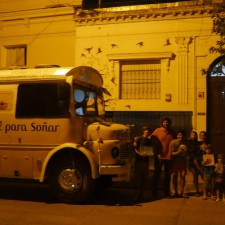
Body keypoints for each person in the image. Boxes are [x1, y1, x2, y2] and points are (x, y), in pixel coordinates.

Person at [151, 117, 175, 198]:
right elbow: (151, 139)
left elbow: (175, 142)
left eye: (167, 122)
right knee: (157, 175)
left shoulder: (172, 132)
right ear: (162, 123)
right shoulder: (157, 131)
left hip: (168, 157)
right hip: (159, 156)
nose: (166, 123)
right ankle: (154, 193)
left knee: (167, 176)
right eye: (164, 122)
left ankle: (166, 193)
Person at [133, 125, 153, 201]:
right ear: (143, 131)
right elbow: (135, 149)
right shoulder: (138, 139)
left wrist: (149, 154)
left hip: (146, 162)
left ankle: (142, 194)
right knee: (137, 179)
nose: (147, 131)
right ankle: (136, 194)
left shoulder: (149, 140)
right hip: (138, 161)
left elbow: (150, 151)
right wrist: (140, 154)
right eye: (145, 130)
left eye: (148, 130)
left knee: (144, 179)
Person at [170, 129, 188, 198]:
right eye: (179, 135)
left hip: (183, 161)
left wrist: (185, 153)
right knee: (174, 176)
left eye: (182, 135)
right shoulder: (173, 142)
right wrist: (178, 152)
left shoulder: (186, 142)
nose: (181, 136)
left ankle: (182, 192)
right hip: (175, 161)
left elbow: (187, 151)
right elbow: (171, 153)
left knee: (183, 176)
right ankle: (175, 192)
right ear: (177, 135)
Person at [187, 131, 203, 197]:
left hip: (198, 160)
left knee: (202, 175)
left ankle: (206, 190)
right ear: (190, 136)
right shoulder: (188, 143)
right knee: (195, 176)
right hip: (192, 161)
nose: (194, 136)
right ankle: (197, 191)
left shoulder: (198, 143)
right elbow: (188, 152)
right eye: (192, 135)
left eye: (195, 135)